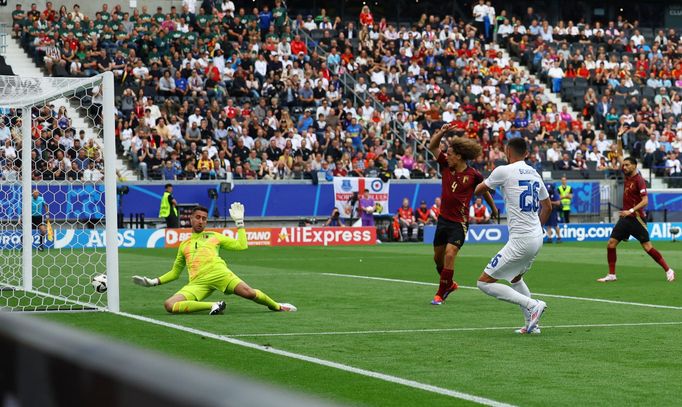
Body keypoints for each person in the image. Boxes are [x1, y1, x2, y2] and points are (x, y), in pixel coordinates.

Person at [133, 204, 297, 314]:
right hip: (197, 283)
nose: (201, 221)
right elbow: (175, 273)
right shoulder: (184, 245)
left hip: (219, 274)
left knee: (249, 293)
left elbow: (241, 245)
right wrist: (153, 282)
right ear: (191, 219)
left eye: (204, 219)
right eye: (198, 217)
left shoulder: (214, 237)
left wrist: (240, 224)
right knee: (169, 305)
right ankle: (214, 305)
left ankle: (278, 306)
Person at [474, 138, 551, 334]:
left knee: (484, 282)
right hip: (536, 237)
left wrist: (483, 182)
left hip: (521, 240)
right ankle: (531, 325)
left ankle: (532, 305)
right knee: (516, 278)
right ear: (526, 153)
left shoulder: (503, 171)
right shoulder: (534, 173)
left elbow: (478, 190)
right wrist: (535, 229)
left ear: (508, 151)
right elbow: (547, 207)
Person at [428, 124, 497, 305]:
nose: (446, 156)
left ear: (458, 157)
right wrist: (442, 132)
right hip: (443, 220)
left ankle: (440, 293)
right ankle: (449, 284)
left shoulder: (474, 175)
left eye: (449, 154)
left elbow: (484, 191)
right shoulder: (446, 165)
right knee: (438, 258)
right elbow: (432, 147)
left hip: (459, 223)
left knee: (450, 254)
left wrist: (493, 208)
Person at [597, 134, 675, 283]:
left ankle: (668, 269)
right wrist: (619, 137)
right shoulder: (627, 177)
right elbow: (619, 154)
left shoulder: (639, 180)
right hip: (626, 218)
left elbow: (645, 200)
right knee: (611, 243)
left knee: (647, 247)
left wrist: (631, 211)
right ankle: (612, 274)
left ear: (634, 166)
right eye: (624, 165)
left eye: (627, 165)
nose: (624, 167)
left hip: (636, 218)